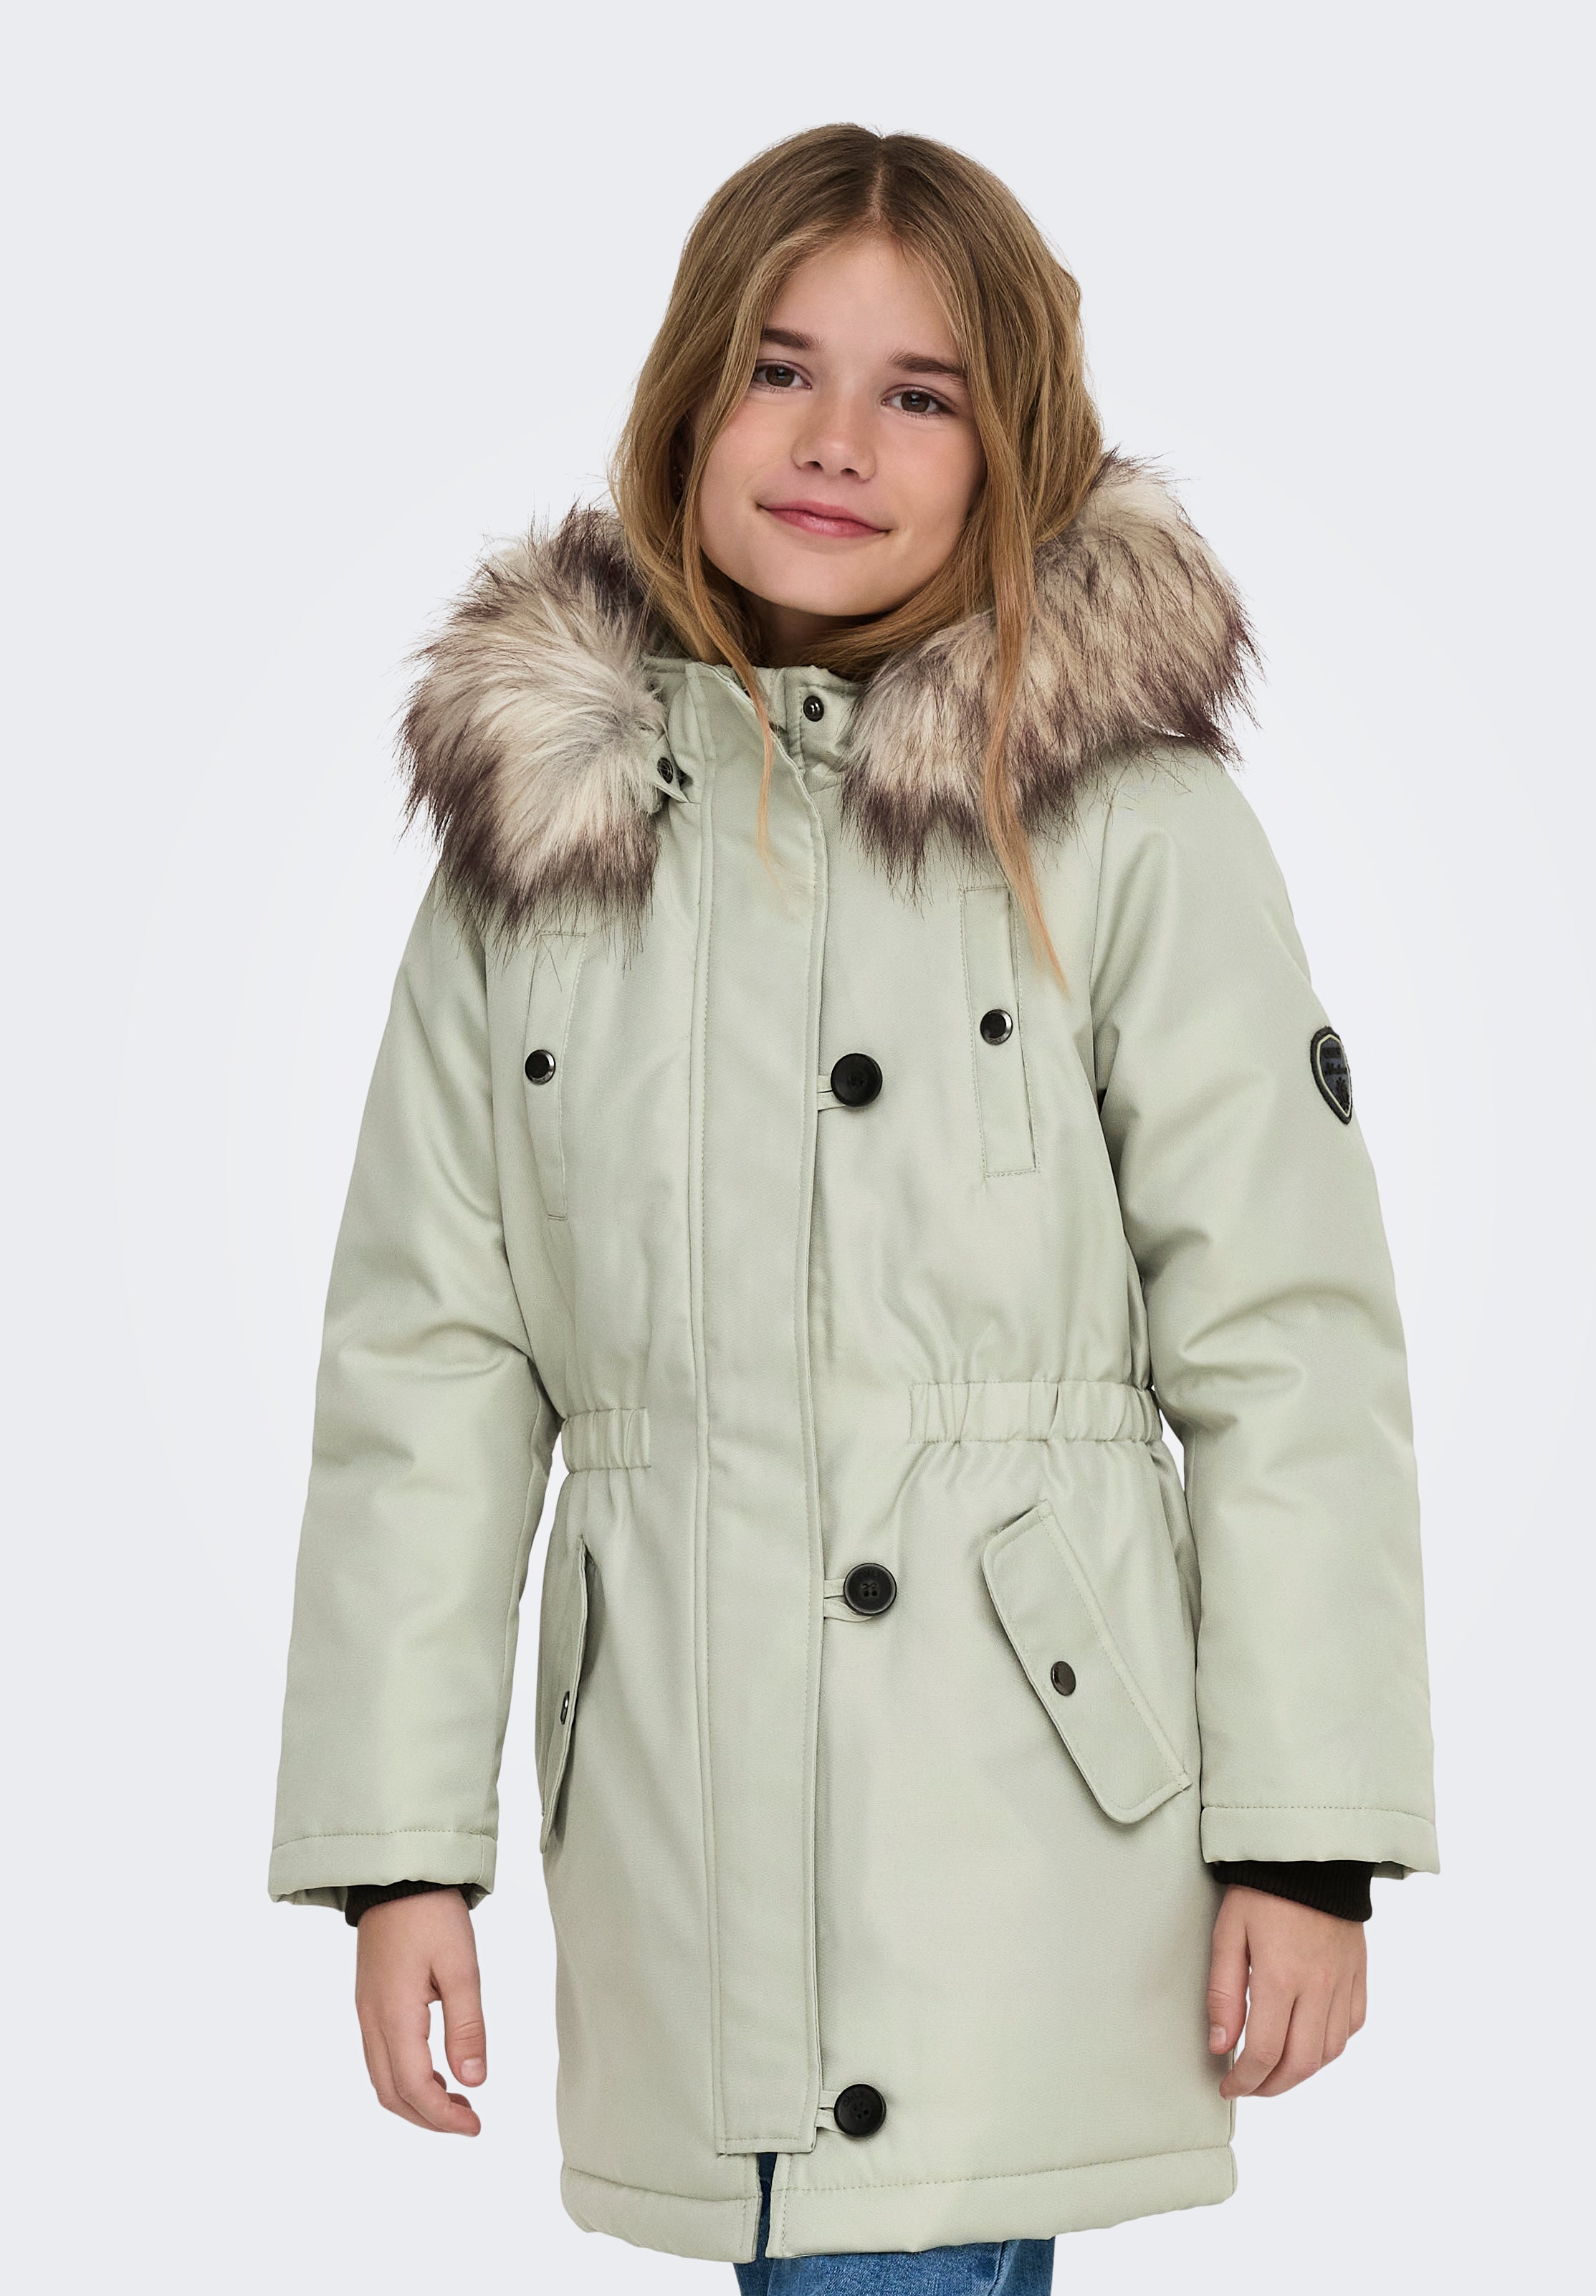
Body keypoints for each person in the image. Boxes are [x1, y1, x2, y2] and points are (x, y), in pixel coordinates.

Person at [269, 122, 1437, 2291]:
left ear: (1015, 445)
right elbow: (426, 1362)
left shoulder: (1123, 822)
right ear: (687, 399)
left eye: (920, 394)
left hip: (1018, 1815)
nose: (835, 441)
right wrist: (397, 1851)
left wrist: (1311, 1835)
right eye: (780, 369)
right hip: (678, 1817)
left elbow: (1287, 1337)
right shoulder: (541, 843)